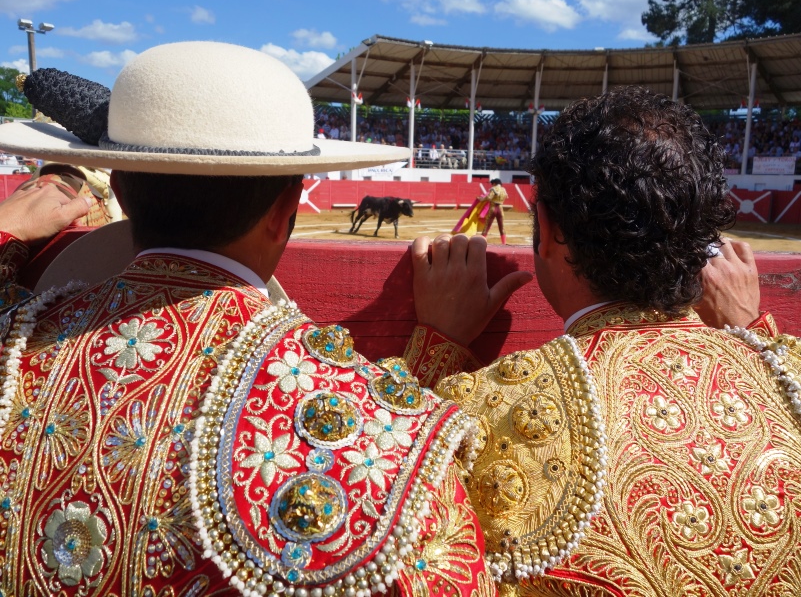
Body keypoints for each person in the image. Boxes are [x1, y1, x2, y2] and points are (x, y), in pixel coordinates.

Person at [0, 42, 493, 597]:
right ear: (286, 213)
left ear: (119, 191)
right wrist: (437, 351)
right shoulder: (385, 428)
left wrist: (6, 236)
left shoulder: (14, 340)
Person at [403, 86, 801, 595]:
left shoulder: (479, 408)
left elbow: (405, 517)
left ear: (546, 230)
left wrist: (437, 348)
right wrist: (755, 339)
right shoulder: (783, 372)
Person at [480, 178, 508, 244]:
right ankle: (503, 243)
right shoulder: (503, 190)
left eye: (492, 184)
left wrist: (482, 199)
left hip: (493, 208)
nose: (492, 185)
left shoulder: (493, 189)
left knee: (487, 226)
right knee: (502, 227)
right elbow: (506, 197)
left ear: (495, 183)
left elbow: (489, 197)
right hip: (500, 209)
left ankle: (482, 241)